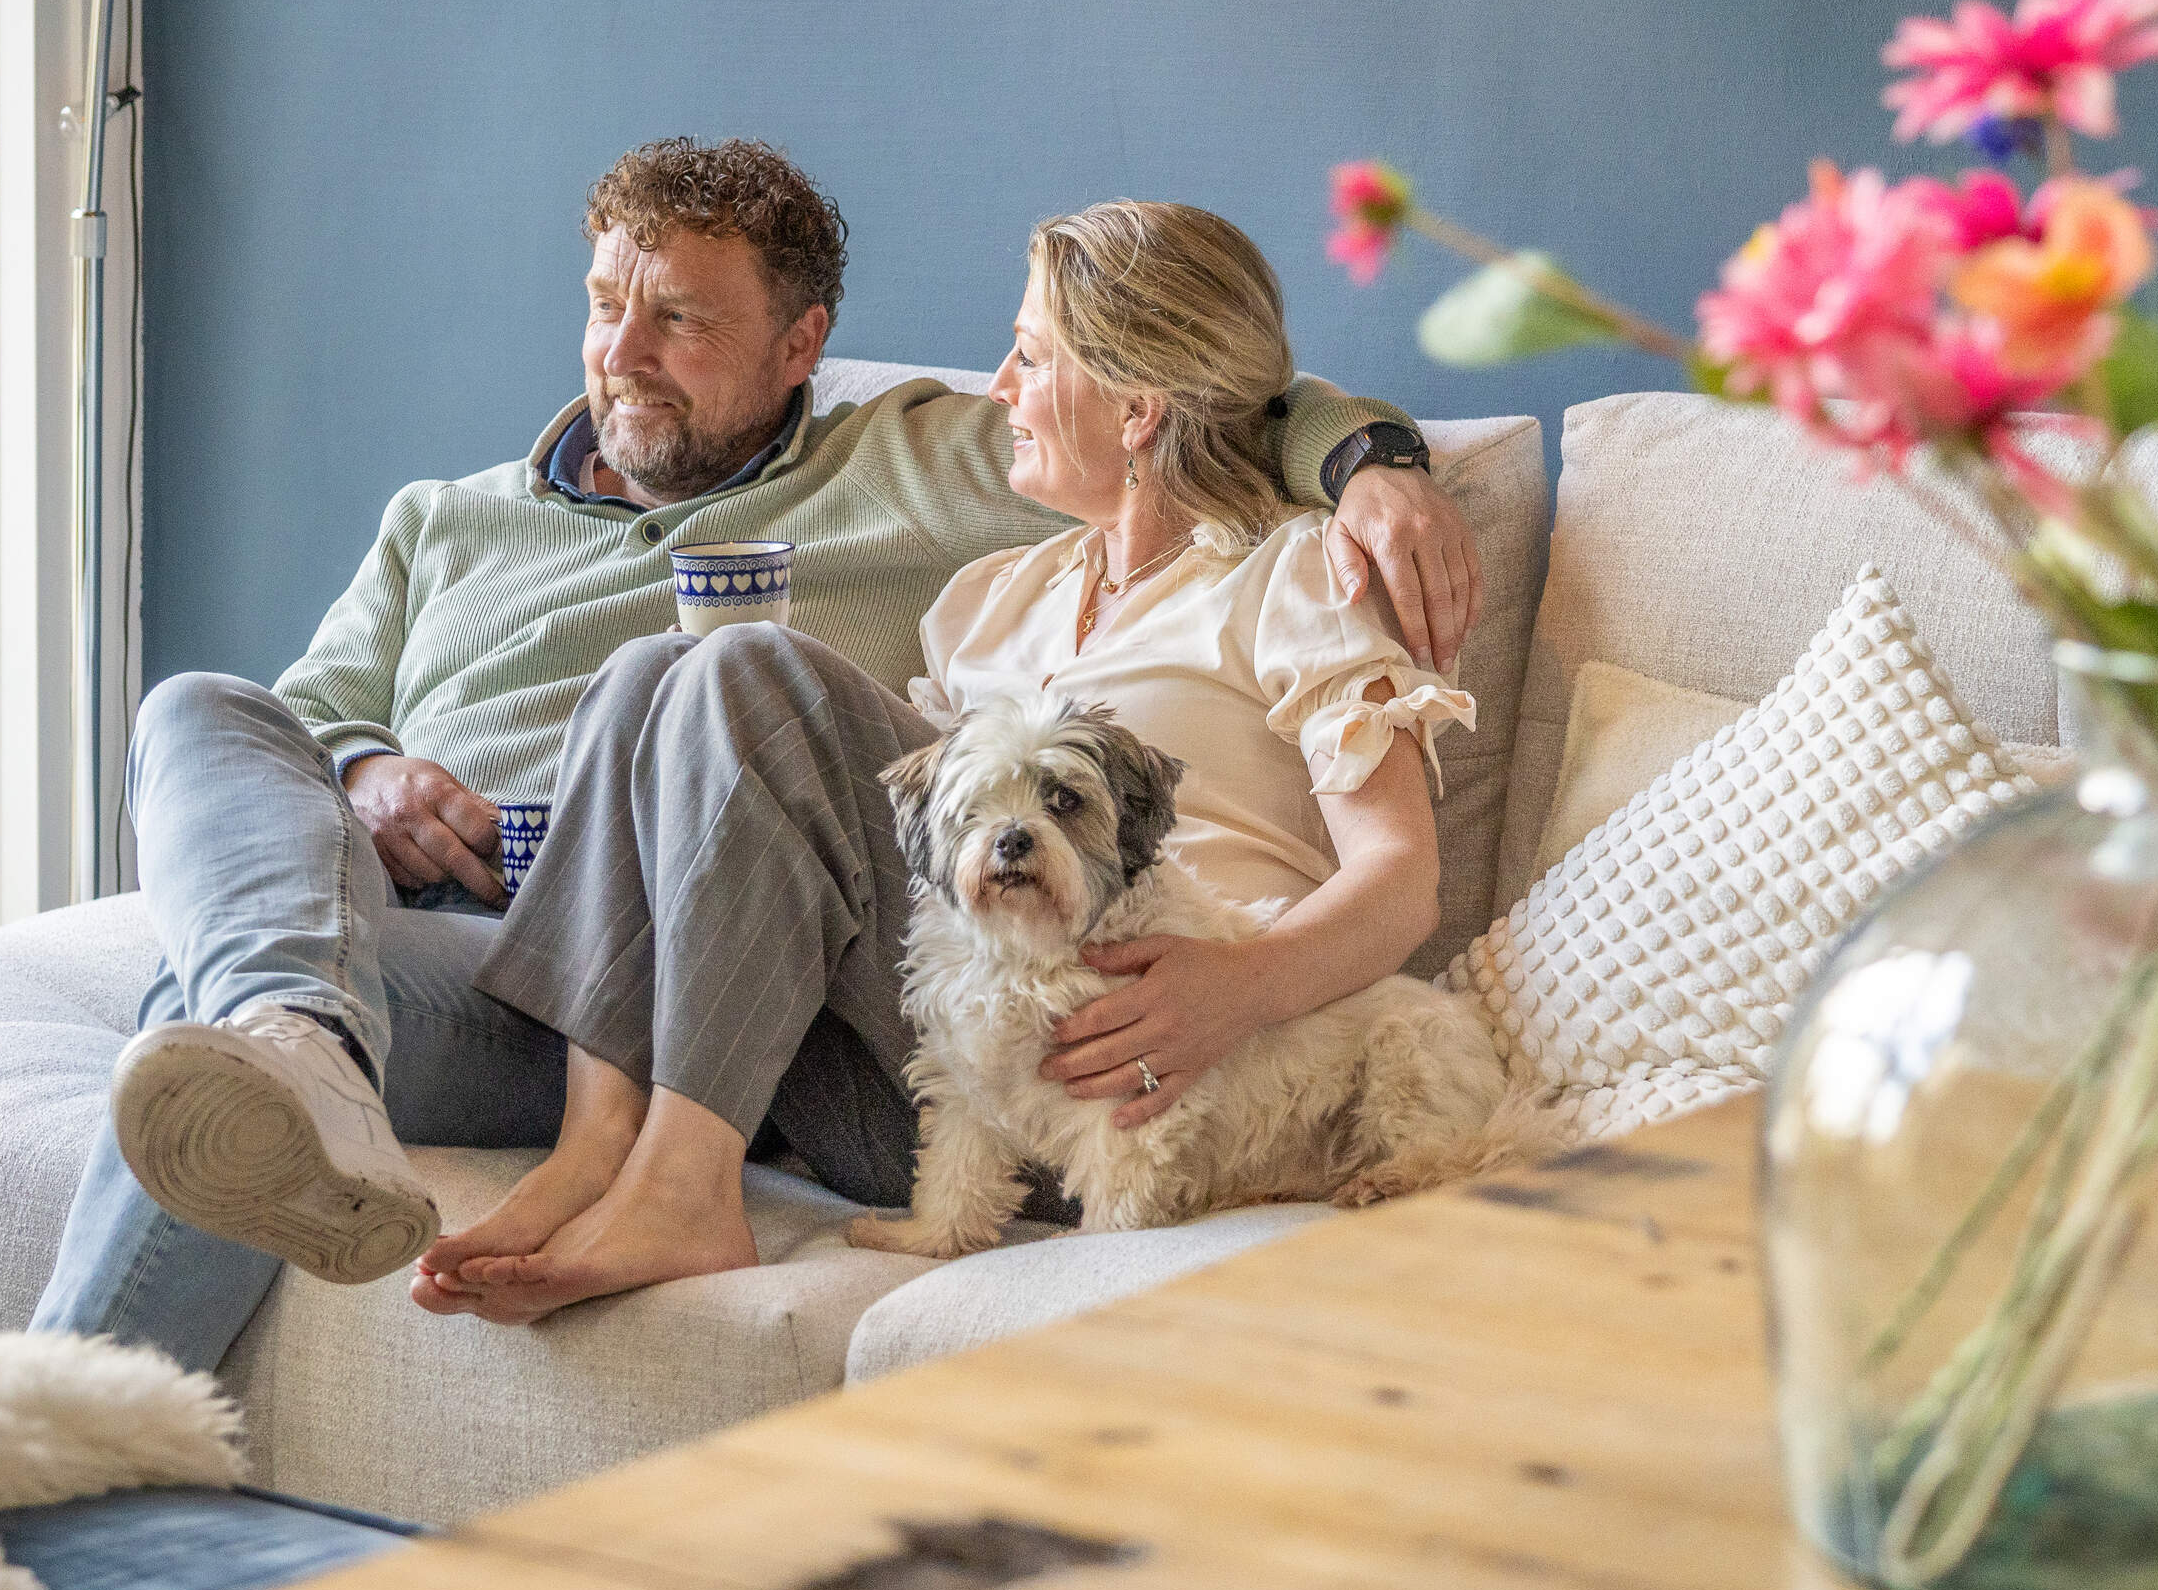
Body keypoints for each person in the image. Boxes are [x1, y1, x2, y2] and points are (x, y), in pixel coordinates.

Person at [30, 144, 1478, 1370]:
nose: (623, 351)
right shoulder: (987, 602)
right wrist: (363, 768)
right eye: (606, 306)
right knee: (202, 783)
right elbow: (295, 727)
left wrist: (1378, 462)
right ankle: (125, 1332)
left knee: (727, 658)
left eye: (679, 320)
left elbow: (1231, 394)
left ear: (804, 346)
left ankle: (653, 1169)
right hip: (495, 943)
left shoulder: (954, 475)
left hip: (1032, 1033)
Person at [415, 198, 1476, 1320]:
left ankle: (683, 1191)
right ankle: (598, 1147)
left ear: (1138, 408)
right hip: (931, 1096)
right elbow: (882, 856)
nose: (1000, 390)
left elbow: (1402, 875)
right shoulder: (988, 600)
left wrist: (1237, 992)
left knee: (744, 668)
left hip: (1147, 1098)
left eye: (1029, 356)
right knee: (644, 670)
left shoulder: (1292, 574)